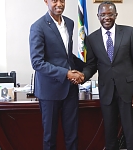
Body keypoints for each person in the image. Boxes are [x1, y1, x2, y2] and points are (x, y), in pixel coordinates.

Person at [81, 1, 133, 150]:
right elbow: (91, 65)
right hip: (106, 92)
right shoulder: (92, 39)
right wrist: (82, 76)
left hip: (128, 92)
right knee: (110, 134)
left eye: (110, 14)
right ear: (98, 16)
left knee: (131, 134)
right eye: (103, 14)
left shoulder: (129, 32)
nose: (106, 17)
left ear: (116, 15)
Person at [29, 0, 84, 149]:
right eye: (54, 0)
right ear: (46, 1)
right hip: (49, 91)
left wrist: (85, 70)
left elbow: (66, 56)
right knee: (50, 138)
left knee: (72, 136)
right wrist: (67, 74)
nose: (59, 4)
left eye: (62, 0)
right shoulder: (38, 27)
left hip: (70, 90)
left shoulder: (70, 23)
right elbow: (37, 62)